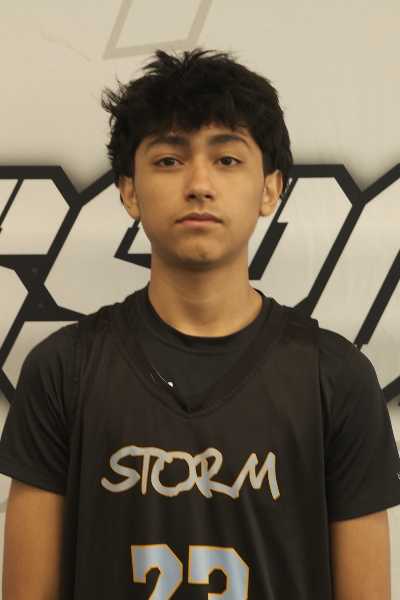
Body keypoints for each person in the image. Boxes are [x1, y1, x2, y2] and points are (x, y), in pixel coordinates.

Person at [1, 48, 399, 600]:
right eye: (169, 160)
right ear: (129, 191)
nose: (199, 184)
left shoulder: (336, 379)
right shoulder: (62, 370)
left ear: (271, 188)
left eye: (227, 159)